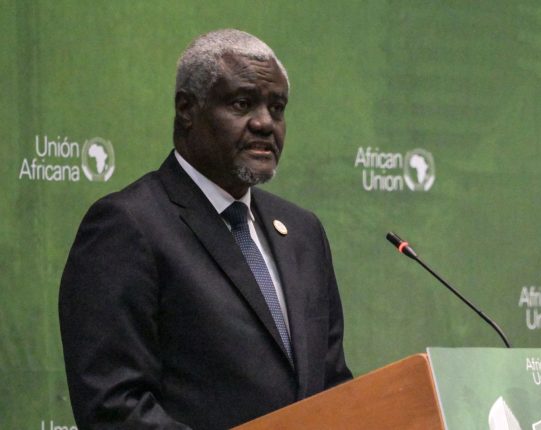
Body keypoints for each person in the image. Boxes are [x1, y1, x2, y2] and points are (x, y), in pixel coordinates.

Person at [59, 29, 352, 429]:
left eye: (277, 107)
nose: (265, 123)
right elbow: (113, 407)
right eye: (242, 103)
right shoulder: (128, 225)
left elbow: (333, 388)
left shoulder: (304, 233)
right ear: (187, 109)